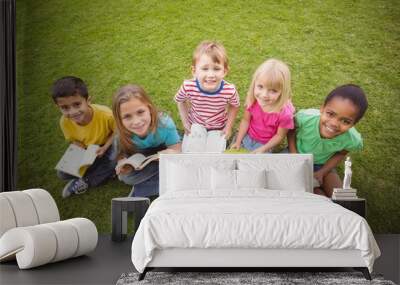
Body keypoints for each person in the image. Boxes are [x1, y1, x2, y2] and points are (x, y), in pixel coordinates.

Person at [287, 84, 368, 197]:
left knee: (341, 198)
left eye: (345, 121)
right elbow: (291, 131)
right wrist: (294, 154)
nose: (334, 124)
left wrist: (323, 172)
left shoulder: (352, 139)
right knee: (290, 186)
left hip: (322, 165)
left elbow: (342, 152)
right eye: (330, 114)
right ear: (322, 108)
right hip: (295, 155)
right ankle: (317, 192)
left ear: (354, 124)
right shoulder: (305, 118)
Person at [51, 76, 116, 198]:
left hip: (109, 145)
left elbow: (118, 132)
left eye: (77, 104)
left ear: (88, 101)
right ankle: (105, 171)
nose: (72, 112)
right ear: (58, 107)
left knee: (114, 159)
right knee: (62, 174)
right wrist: (79, 150)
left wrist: (105, 147)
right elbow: (75, 141)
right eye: (65, 108)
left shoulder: (105, 114)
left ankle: (87, 181)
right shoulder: (64, 122)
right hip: (89, 149)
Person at [112, 84, 181, 198]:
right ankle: (161, 182)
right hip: (140, 157)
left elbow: (176, 148)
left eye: (140, 112)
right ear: (120, 119)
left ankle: (142, 190)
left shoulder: (165, 124)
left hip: (163, 152)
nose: (136, 121)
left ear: (149, 109)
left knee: (180, 166)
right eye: (127, 116)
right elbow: (121, 155)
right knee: (125, 177)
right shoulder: (121, 134)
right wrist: (123, 164)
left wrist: (168, 153)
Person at [175, 40, 240, 140]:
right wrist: (185, 122)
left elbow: (234, 105)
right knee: (192, 153)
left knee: (214, 155)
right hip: (195, 125)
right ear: (194, 71)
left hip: (219, 127)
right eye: (205, 69)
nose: (210, 75)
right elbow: (180, 101)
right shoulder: (188, 86)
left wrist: (228, 127)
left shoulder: (229, 90)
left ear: (225, 71)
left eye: (216, 69)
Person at [230, 59, 295, 153]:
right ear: (254, 83)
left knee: (255, 165)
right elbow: (245, 120)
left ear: (282, 92)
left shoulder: (285, 114)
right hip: (247, 136)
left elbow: (279, 136)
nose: (264, 95)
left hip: (266, 144)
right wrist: (238, 141)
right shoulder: (252, 100)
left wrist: (264, 148)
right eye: (260, 86)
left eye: (273, 90)